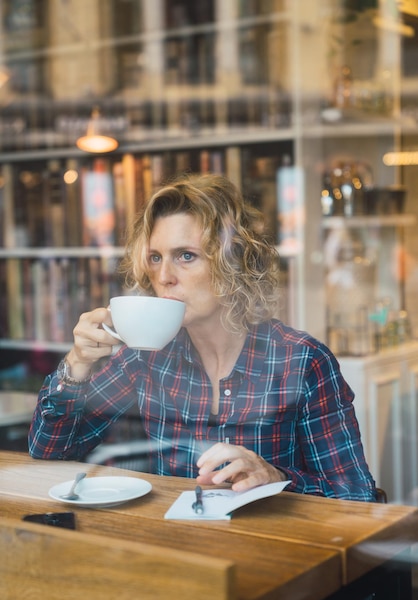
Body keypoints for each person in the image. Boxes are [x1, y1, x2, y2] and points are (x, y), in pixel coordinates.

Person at [28, 173, 376, 501]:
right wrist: (76, 365)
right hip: (179, 551)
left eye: (186, 256)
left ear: (234, 262)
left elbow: (357, 496)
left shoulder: (301, 360)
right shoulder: (146, 357)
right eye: (154, 257)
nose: (163, 276)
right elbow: (50, 452)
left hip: (271, 556)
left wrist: (275, 478)